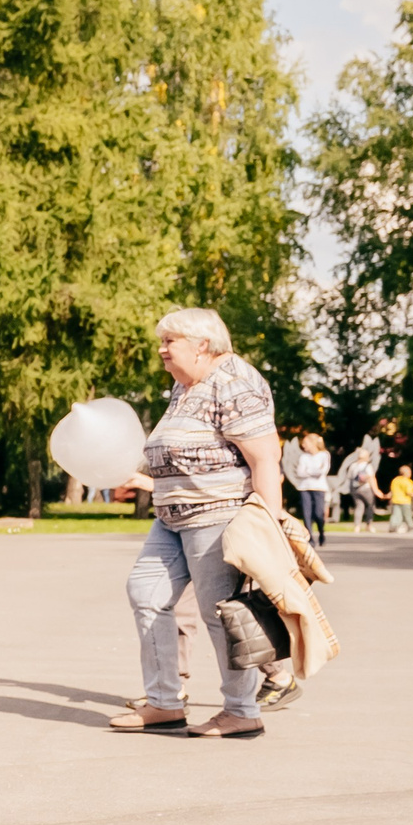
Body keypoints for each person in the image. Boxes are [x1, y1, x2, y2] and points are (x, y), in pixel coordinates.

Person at [109, 307, 285, 739]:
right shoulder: (185, 386)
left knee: (220, 613)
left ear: (202, 345)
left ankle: (242, 710)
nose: (161, 350)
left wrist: (270, 523)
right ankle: (164, 702)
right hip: (171, 517)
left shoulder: (235, 382)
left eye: (170, 342)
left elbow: (264, 458)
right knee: (146, 592)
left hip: (218, 515)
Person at [288, 432, 331, 545]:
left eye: (305, 443)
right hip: (305, 488)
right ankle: (310, 538)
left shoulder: (324, 455)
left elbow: (322, 471)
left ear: (313, 443)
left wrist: (308, 471)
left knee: (318, 513)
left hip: (319, 488)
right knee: (306, 513)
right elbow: (300, 472)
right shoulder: (303, 457)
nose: (303, 445)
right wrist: (312, 472)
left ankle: (321, 532)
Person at [388, 464, 413, 534]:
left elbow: (392, 489)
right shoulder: (407, 481)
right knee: (407, 515)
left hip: (395, 500)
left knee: (395, 515)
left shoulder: (395, 480)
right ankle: (410, 527)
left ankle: (393, 527)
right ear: (407, 473)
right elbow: (409, 492)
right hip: (405, 501)